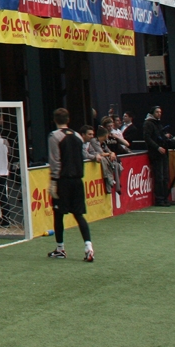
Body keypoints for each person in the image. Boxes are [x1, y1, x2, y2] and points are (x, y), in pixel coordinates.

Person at [47, 109, 94, 262]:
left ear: (55, 120)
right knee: (79, 215)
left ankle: (60, 248)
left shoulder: (54, 136)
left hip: (63, 180)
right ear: (68, 119)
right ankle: (88, 247)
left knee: (58, 214)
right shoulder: (78, 136)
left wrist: (53, 181)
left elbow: (55, 160)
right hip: (78, 180)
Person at [144, 107, 172, 206]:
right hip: (156, 153)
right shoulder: (148, 123)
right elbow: (147, 138)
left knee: (165, 177)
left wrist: (166, 136)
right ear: (152, 113)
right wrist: (157, 147)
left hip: (163, 152)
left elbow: (159, 135)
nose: (159, 114)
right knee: (159, 177)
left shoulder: (158, 123)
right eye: (157, 112)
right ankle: (159, 199)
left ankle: (165, 198)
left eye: (160, 112)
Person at [82, 126, 120, 194]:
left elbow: (93, 152)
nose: (92, 136)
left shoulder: (89, 143)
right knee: (103, 159)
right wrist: (96, 156)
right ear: (83, 135)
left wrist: (111, 153)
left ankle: (112, 179)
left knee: (115, 163)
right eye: (89, 134)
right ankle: (108, 178)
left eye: (92, 134)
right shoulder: (85, 142)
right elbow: (85, 155)